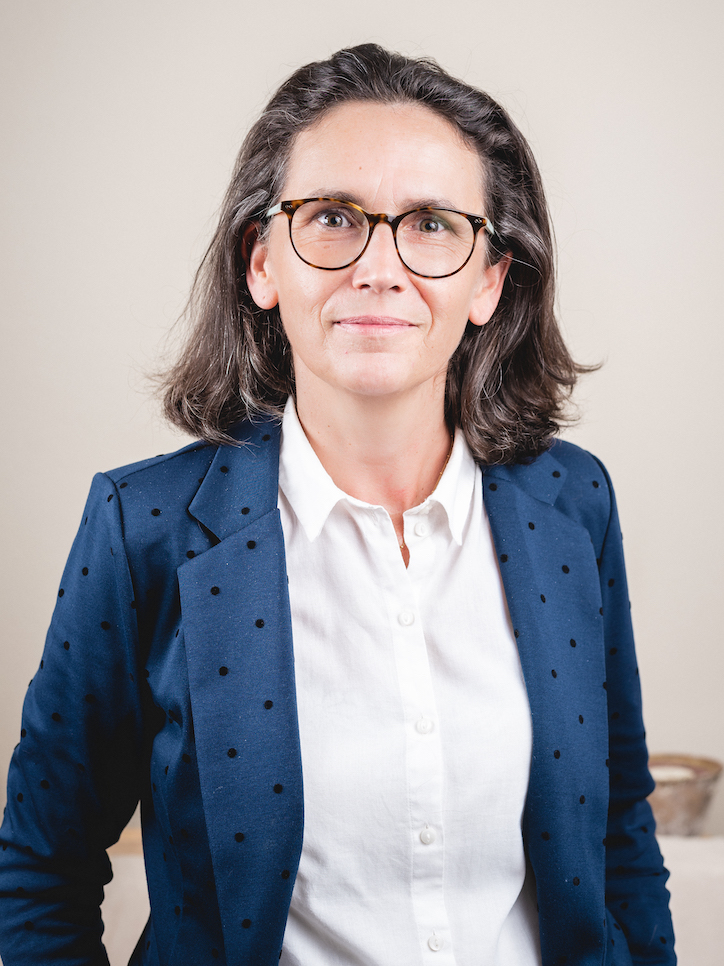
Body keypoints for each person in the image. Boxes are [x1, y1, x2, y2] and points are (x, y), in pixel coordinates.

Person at [0, 43, 675, 966]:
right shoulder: (142, 529)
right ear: (261, 263)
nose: (379, 267)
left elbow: (620, 830)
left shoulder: (574, 503)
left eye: (432, 224)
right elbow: (41, 868)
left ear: (490, 280)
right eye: (331, 217)